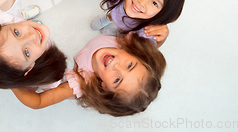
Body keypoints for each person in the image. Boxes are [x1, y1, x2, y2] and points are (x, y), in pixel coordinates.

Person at [11, 33, 166, 117]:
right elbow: (152, 41)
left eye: (117, 80)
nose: (116, 66)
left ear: (104, 87)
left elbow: (38, 101)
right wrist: (161, 34)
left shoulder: (81, 82)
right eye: (130, 65)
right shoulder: (129, 43)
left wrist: (11, 82)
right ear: (137, 56)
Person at [0, 9, 67, 89]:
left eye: (16, 33)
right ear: (29, 67)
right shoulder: (48, 73)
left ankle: (23, 17)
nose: (32, 36)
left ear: (4, 23)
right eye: (26, 52)